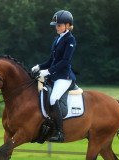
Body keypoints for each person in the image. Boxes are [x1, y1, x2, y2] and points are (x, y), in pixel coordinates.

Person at [32, 10, 76, 143]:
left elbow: (65, 62)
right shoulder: (57, 39)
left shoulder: (71, 40)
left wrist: (48, 71)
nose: (57, 27)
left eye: (59, 25)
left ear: (68, 25)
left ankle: (59, 132)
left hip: (64, 76)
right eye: (56, 25)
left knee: (53, 99)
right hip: (54, 75)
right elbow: (51, 60)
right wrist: (40, 66)